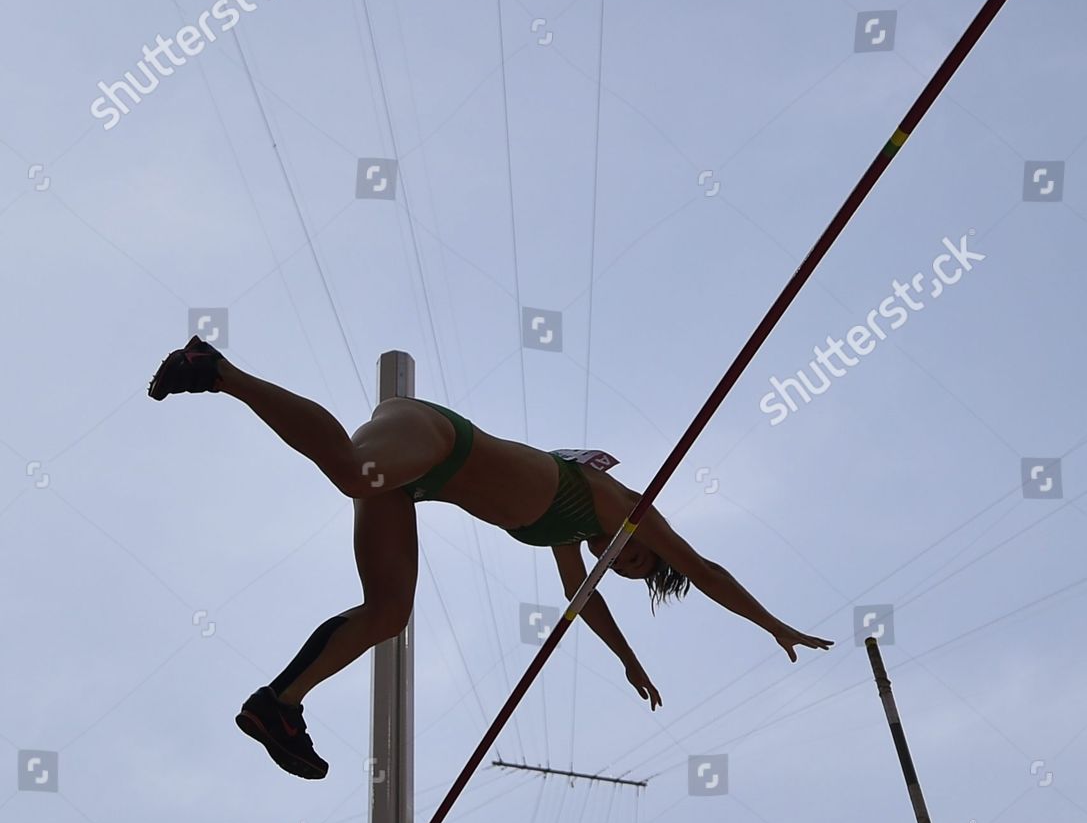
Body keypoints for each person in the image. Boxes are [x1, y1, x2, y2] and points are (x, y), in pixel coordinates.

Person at [149, 337, 832, 779]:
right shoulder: (614, 500)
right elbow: (706, 571)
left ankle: (278, 704)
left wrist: (626, 659)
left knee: (389, 613)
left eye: (629, 570)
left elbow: (580, 599)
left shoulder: (571, 538)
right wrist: (772, 624)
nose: (622, 562)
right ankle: (217, 370)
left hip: (420, 482)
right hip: (433, 437)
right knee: (356, 473)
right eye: (637, 558)